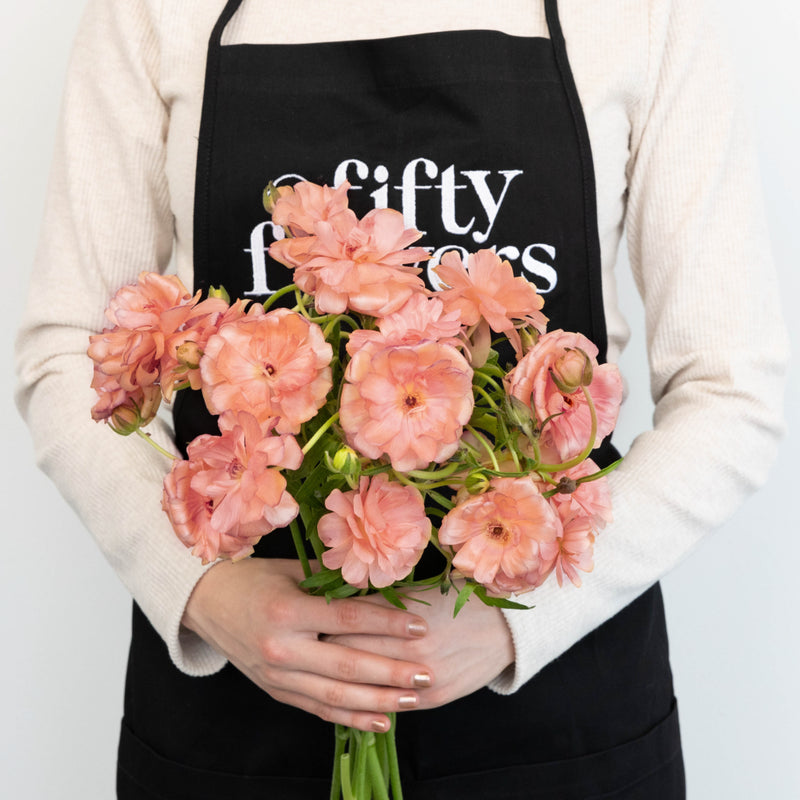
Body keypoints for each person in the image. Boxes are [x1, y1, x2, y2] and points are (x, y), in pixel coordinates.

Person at [14, 0, 788, 798]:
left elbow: (731, 389)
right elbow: (71, 353)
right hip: (239, 704)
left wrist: (517, 619)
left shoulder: (643, 15)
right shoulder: (152, 12)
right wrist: (203, 592)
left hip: (559, 708)